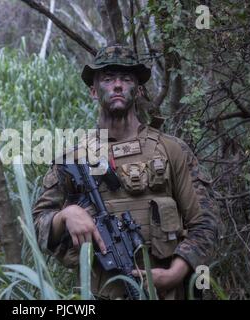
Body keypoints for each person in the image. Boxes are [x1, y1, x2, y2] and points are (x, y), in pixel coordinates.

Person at [32, 44, 220, 300]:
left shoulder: (171, 150)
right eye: (108, 79)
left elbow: (205, 223)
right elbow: (37, 226)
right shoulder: (73, 160)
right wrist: (66, 215)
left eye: (126, 78)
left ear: (139, 89)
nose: (117, 85)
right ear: (93, 91)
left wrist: (176, 272)